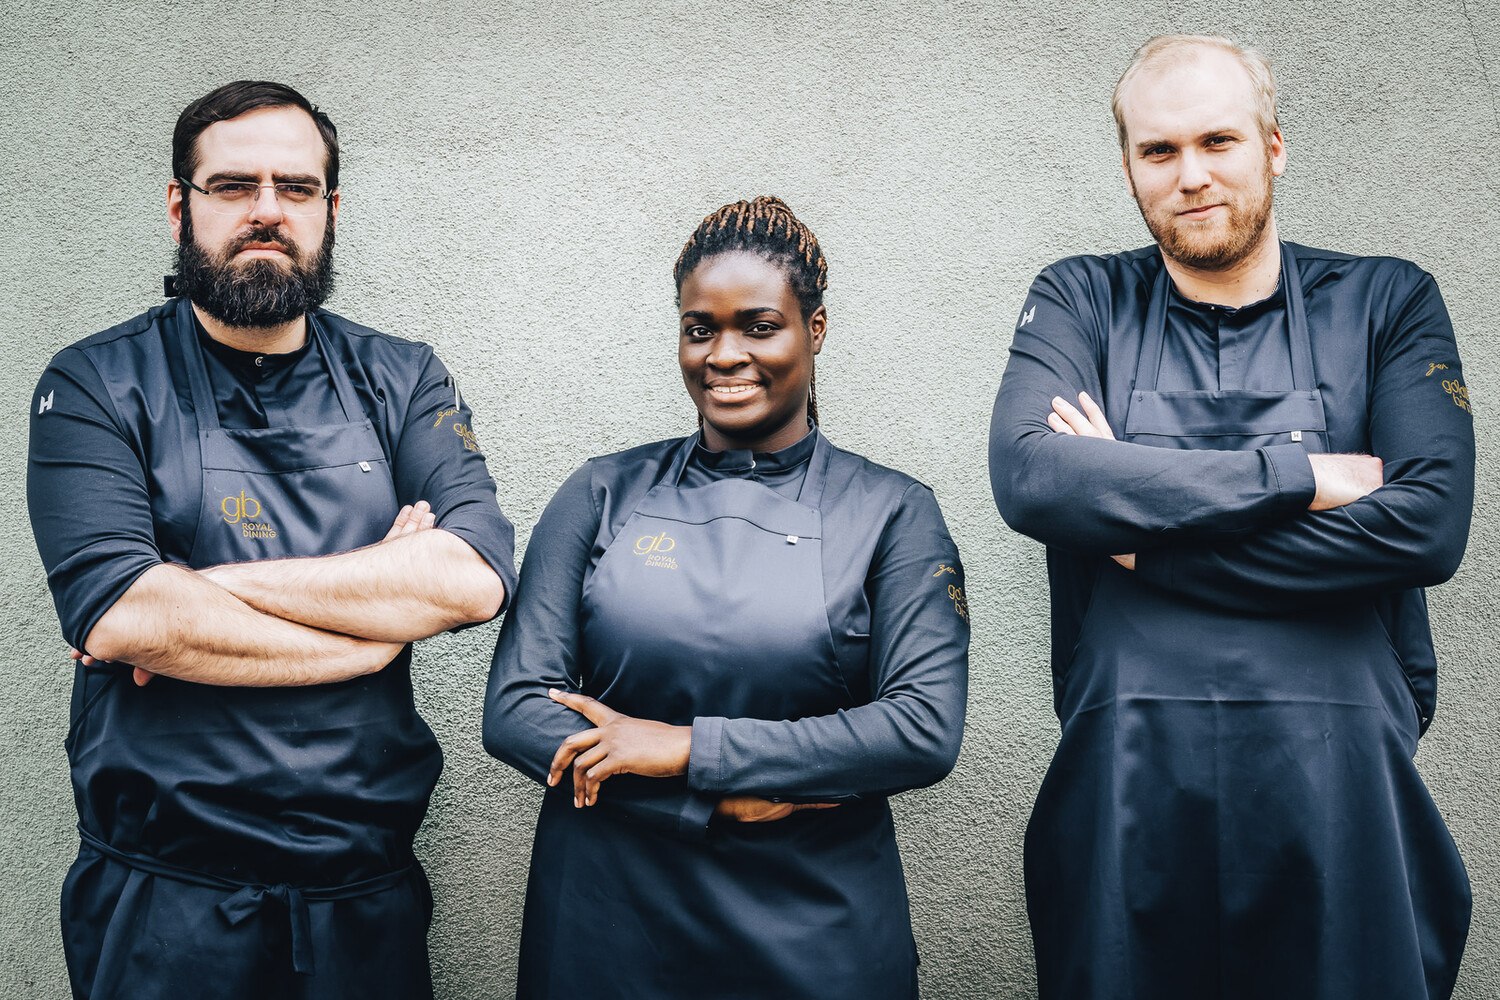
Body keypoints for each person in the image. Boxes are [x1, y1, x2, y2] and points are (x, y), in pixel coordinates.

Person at [989, 35, 1474, 1000]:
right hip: (1128, 786)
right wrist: (1299, 475)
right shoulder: (1080, 298)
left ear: (1275, 147)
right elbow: (1035, 481)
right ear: (1128, 167)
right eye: (1158, 152)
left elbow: (1428, 526)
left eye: (1219, 141)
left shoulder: (1388, 302)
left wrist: (1141, 533)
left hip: (1343, 792)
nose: (1192, 176)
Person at [27, 81, 517, 999]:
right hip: (165, 902)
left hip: (364, 897)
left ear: (331, 209)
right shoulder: (95, 383)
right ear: (181, 204)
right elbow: (124, 614)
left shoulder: (401, 377)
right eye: (232, 187)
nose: (266, 212)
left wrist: (193, 589)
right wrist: (376, 620)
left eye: (296, 188)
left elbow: (473, 575)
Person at [483, 196, 969, 999]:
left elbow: (920, 729)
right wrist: (721, 798)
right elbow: (515, 710)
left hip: (817, 938)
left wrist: (687, 749)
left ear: (814, 330)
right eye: (699, 328)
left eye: (759, 325)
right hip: (606, 931)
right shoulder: (602, 491)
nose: (724, 354)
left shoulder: (892, 512)